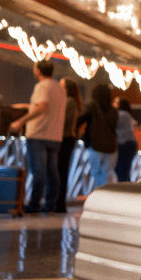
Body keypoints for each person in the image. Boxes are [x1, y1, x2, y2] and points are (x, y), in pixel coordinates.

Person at [8, 60, 67, 215]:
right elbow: (46, 107)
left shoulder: (42, 86)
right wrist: (28, 107)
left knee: (39, 172)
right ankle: (50, 206)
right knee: (52, 173)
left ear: (38, 71)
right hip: (55, 136)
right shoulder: (60, 88)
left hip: (38, 134)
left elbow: (42, 106)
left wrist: (20, 121)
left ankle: (34, 206)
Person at [78, 84, 117, 190]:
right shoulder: (114, 110)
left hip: (96, 144)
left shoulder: (92, 105)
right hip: (111, 146)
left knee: (95, 173)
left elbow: (80, 118)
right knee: (106, 174)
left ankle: (101, 195)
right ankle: (105, 195)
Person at [54, 78, 83, 212]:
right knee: (62, 170)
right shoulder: (71, 101)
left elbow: (62, 120)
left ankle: (59, 203)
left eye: (61, 85)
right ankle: (59, 203)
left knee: (61, 171)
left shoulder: (69, 101)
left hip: (65, 138)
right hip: (68, 138)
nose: (58, 87)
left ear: (66, 88)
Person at [114, 97, 138, 182]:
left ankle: (124, 191)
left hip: (125, 145)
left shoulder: (122, 114)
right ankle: (126, 191)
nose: (114, 104)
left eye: (116, 102)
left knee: (121, 171)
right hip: (130, 145)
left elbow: (111, 123)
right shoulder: (127, 115)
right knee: (125, 171)